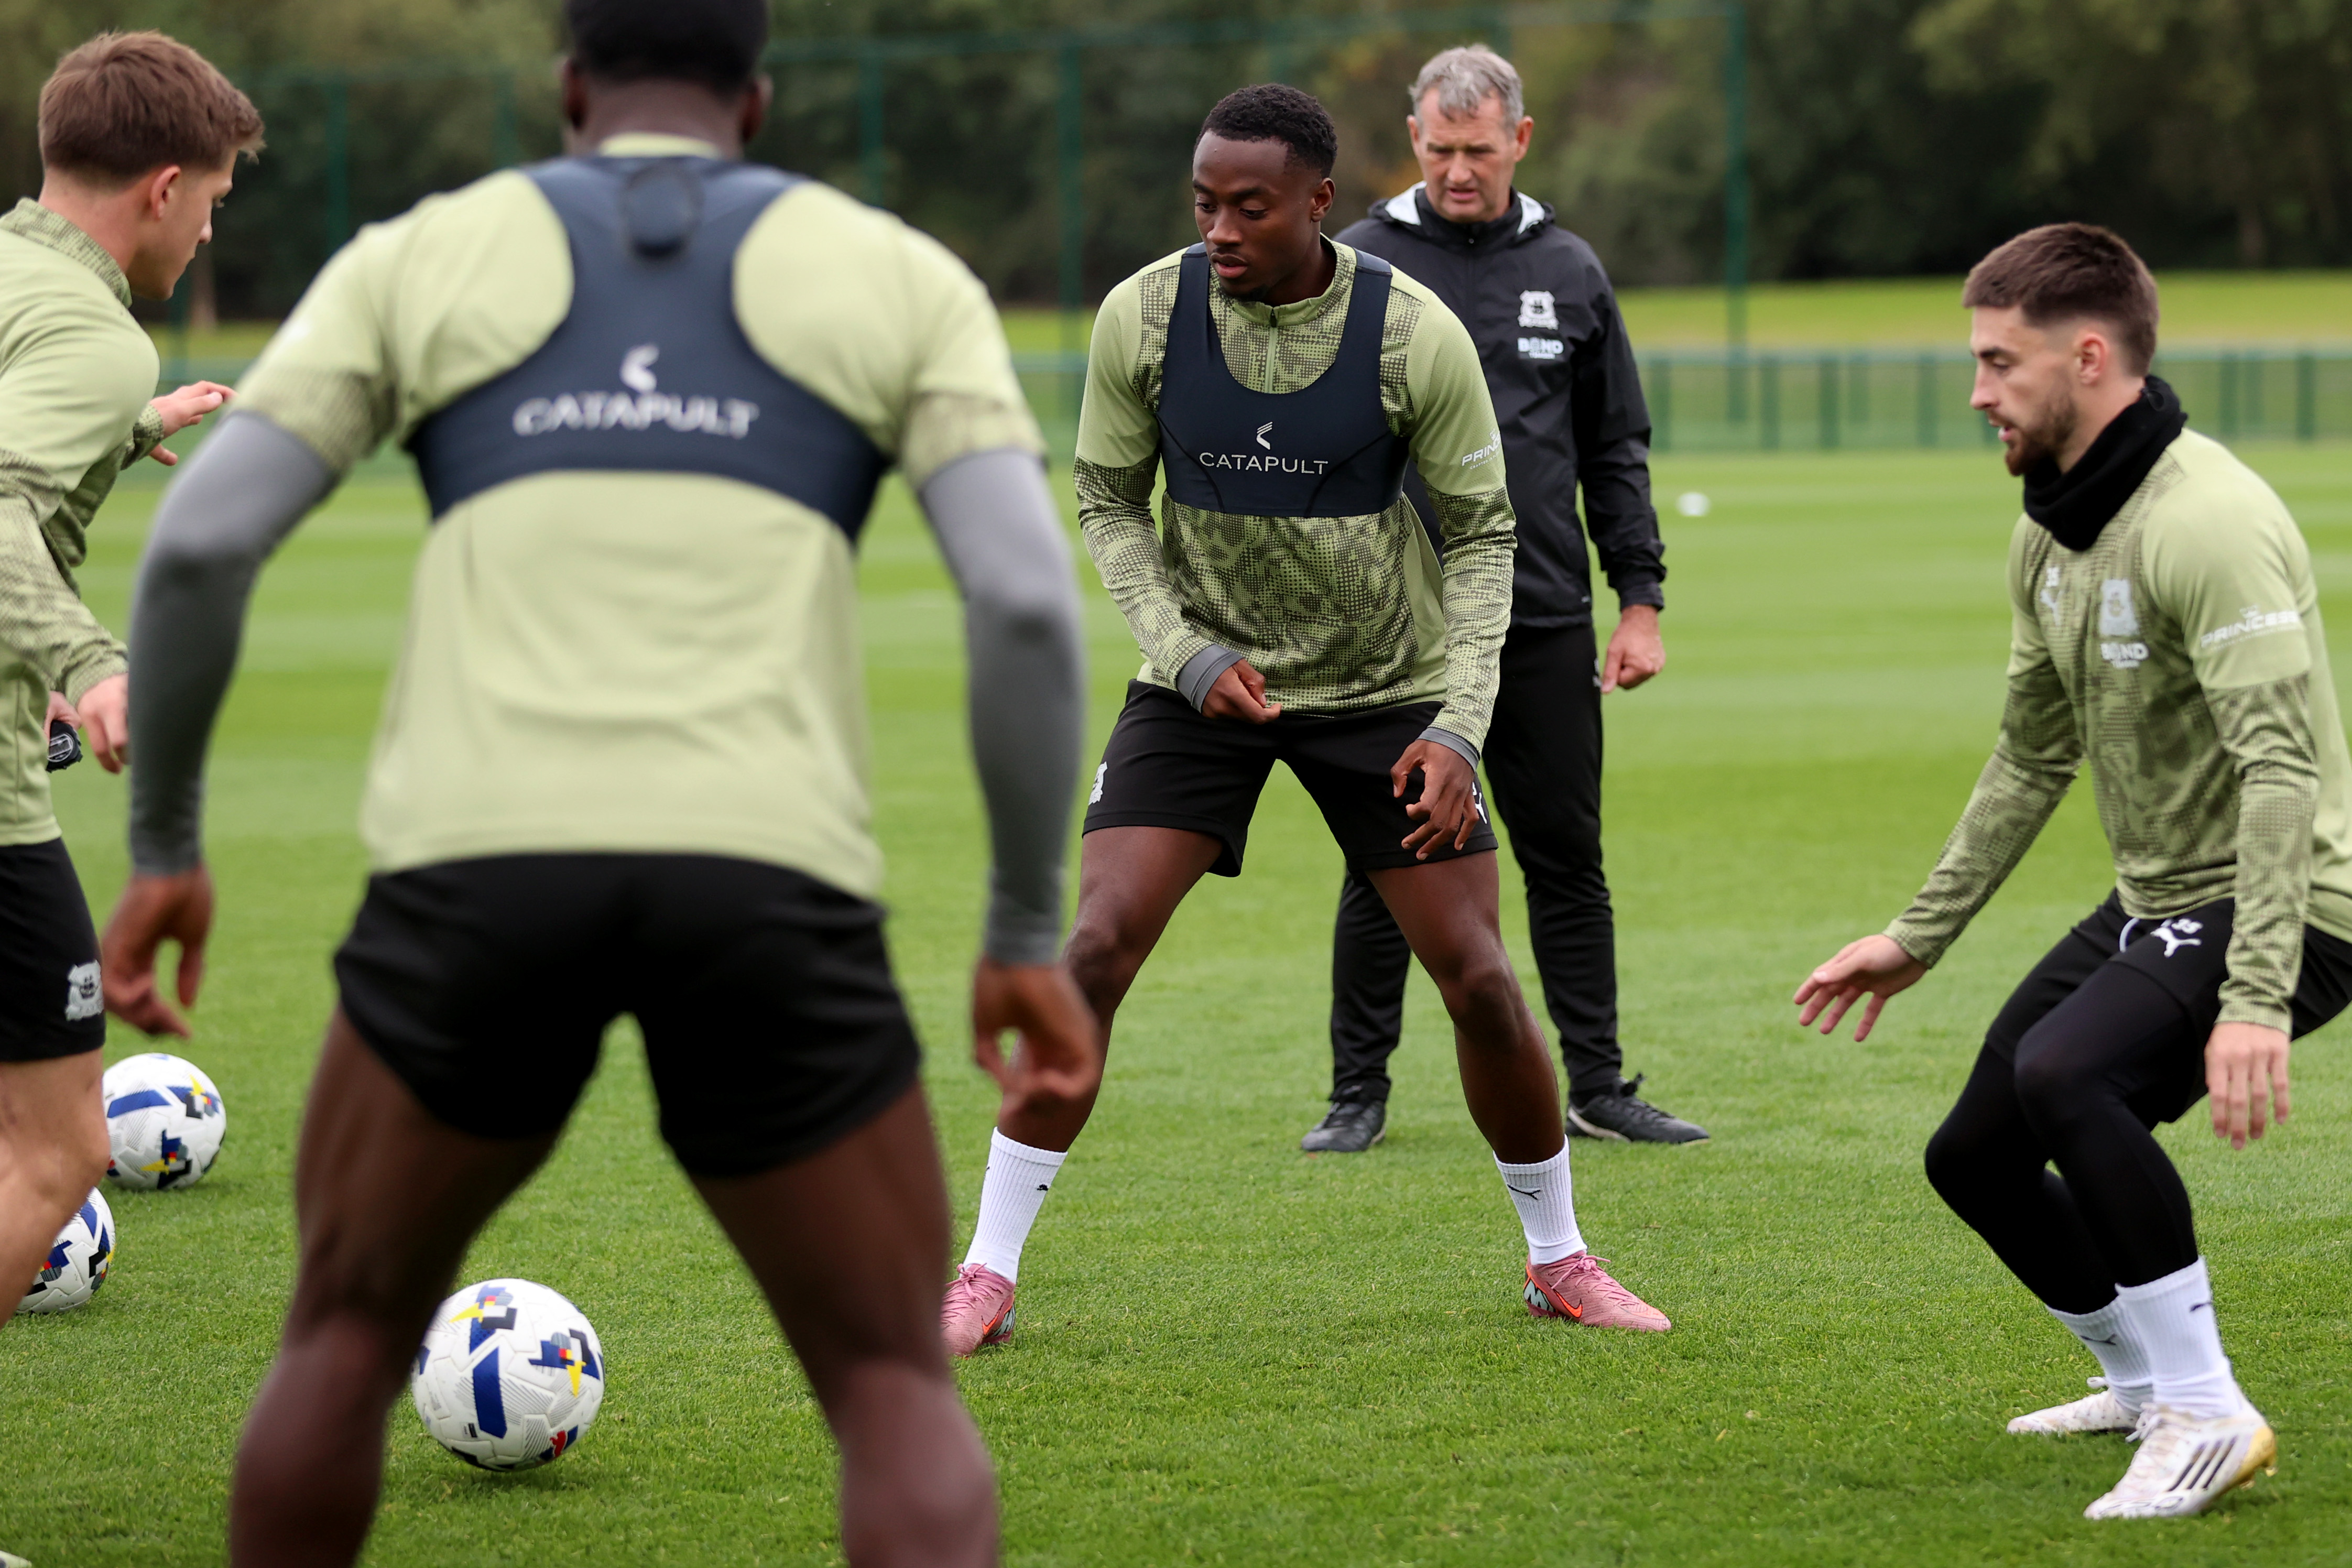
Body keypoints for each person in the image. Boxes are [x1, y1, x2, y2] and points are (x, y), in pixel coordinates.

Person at [99, 3, 1098, 1563]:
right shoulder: (897, 274)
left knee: (342, 1343)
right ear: (755, 104)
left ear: (568, 88)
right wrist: (1028, 932)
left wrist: (164, 842)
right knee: (892, 1386)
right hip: (769, 883)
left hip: (473, 877)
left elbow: (202, 547)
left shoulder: (421, 254)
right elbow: (1031, 606)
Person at [938, 83, 1670, 1359]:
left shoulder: (1412, 333)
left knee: (1482, 981)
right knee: (1094, 949)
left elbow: (1485, 538)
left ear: (1320, 202)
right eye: (1205, 203)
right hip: (1200, 690)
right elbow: (1106, 502)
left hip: (1385, 689)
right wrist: (1186, 652)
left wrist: (1458, 726)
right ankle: (983, 1273)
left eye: (1251, 206)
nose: (1220, 228)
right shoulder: (1142, 317)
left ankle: (1559, 1257)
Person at [1795, 223, 2352, 1520]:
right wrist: (1918, 934)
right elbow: (2031, 753)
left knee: (2066, 1073)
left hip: (2298, 900)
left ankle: (2210, 1411)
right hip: (2162, 897)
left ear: (2088, 358)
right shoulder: (2049, 529)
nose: (1977, 390)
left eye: (2001, 361)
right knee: (1974, 1154)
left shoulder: (2207, 521)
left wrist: (2255, 998)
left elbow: (2283, 774)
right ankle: (2146, 1383)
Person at [1312, 45, 1702, 1153]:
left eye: (1479, 150)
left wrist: (1640, 600)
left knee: (1566, 854)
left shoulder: (1572, 269)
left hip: (1539, 618)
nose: (1457, 170)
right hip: (1399, 630)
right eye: (1439, 149)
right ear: (1414, 136)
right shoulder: (1359, 263)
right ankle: (1356, 1093)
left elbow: (1613, 449)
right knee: (1383, 859)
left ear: (1520, 140)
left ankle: (1600, 1086)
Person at [0, 29, 251, 1334]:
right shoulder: (99, 338)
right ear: (163, 188)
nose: (209, 231)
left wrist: (130, 425)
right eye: (211, 201)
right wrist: (89, 661)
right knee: (58, 1149)